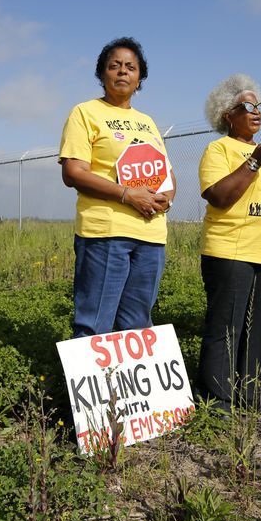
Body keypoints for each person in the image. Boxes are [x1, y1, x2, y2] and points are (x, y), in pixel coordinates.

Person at [59, 37, 175, 337]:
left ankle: (124, 385)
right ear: (102, 74)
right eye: (115, 66)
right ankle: (91, 384)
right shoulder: (85, 113)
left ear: (140, 78)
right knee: (94, 323)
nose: (123, 72)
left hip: (150, 235)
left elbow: (167, 174)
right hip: (105, 233)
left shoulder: (147, 122)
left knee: (137, 324)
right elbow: (73, 172)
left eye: (131, 67)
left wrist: (166, 198)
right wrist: (126, 194)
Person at [197, 74, 261, 413]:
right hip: (230, 251)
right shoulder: (218, 150)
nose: (256, 112)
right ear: (228, 114)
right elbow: (219, 197)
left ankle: (254, 392)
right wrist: (253, 161)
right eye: (248, 106)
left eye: (259, 106)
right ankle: (218, 398)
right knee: (227, 325)